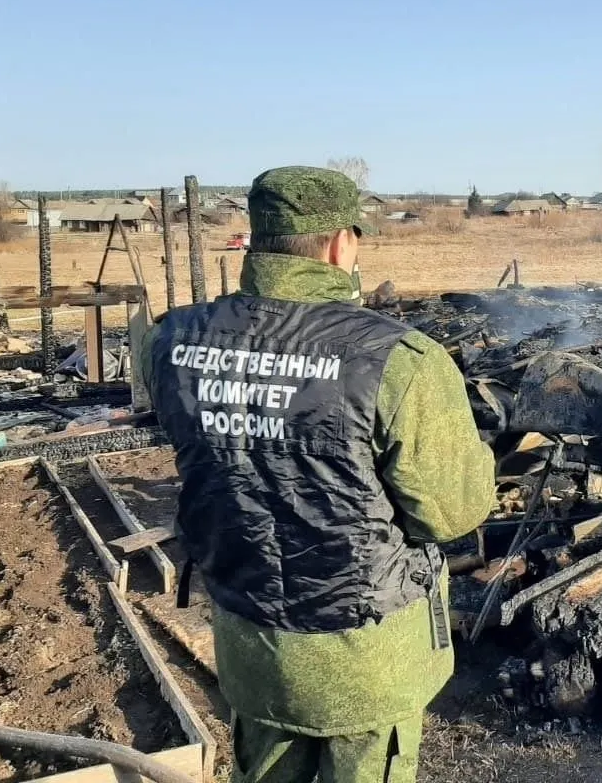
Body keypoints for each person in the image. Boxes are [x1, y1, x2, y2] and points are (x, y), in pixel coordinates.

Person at [142, 166, 495, 783]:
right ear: (341, 244)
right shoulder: (399, 359)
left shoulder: (171, 341)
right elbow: (452, 512)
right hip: (364, 655)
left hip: (248, 641)